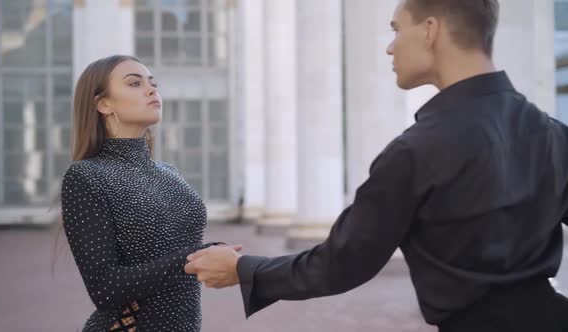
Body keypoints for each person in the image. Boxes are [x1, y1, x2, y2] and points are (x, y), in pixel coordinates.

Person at [184, 1, 568, 331]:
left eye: (397, 29)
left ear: (431, 30)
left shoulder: (415, 151)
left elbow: (342, 263)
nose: (389, 47)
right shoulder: (552, 133)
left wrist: (242, 268)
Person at [60, 55, 237, 332]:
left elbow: (182, 251)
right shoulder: (85, 176)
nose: (152, 90)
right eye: (134, 83)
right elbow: (104, 289)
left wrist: (210, 255)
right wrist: (193, 259)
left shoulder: (170, 172)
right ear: (103, 104)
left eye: (153, 83)